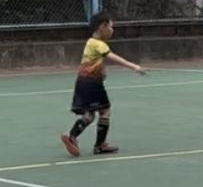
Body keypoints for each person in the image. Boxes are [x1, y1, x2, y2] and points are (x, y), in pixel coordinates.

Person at [60, 12, 146, 157]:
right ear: (102, 27)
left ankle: (72, 136)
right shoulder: (98, 44)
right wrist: (134, 66)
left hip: (83, 82)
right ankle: (98, 145)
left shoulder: (90, 43)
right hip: (92, 84)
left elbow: (95, 60)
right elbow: (112, 57)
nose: (112, 30)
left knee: (89, 115)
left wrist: (103, 72)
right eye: (111, 27)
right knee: (105, 111)